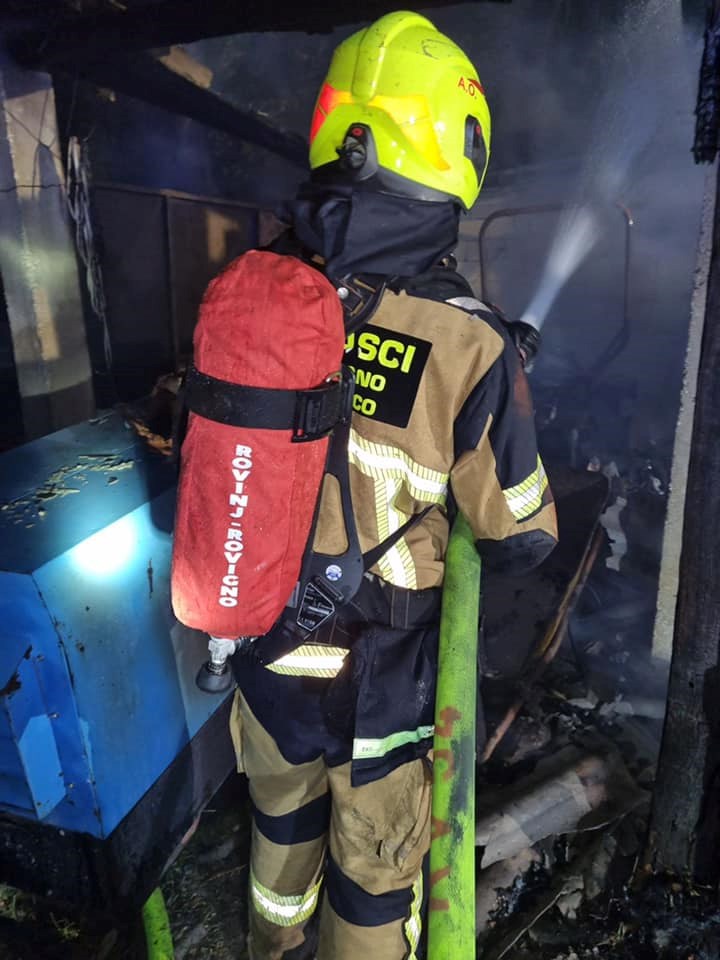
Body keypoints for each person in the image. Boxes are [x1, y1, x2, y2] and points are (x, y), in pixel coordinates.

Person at [229, 11, 558, 959]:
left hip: (263, 649)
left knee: (279, 832)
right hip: (381, 676)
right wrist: (497, 396)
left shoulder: (255, 286)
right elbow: (522, 536)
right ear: (454, 147)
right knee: (375, 878)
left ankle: (270, 946)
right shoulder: (470, 339)